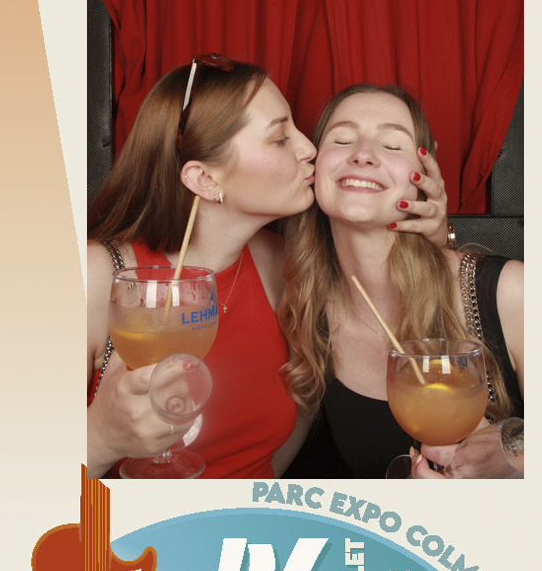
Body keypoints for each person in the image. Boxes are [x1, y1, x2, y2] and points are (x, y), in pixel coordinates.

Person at [85, 56, 450, 479]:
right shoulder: (96, 278)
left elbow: (385, 276)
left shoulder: (287, 267)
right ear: (205, 180)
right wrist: (100, 437)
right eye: (280, 138)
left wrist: (434, 235)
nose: (309, 148)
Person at [281, 85, 524, 479]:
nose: (362, 153)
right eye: (341, 139)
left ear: (424, 178)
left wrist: (512, 462)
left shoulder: (508, 292)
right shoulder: (306, 307)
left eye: (393, 145)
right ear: (314, 166)